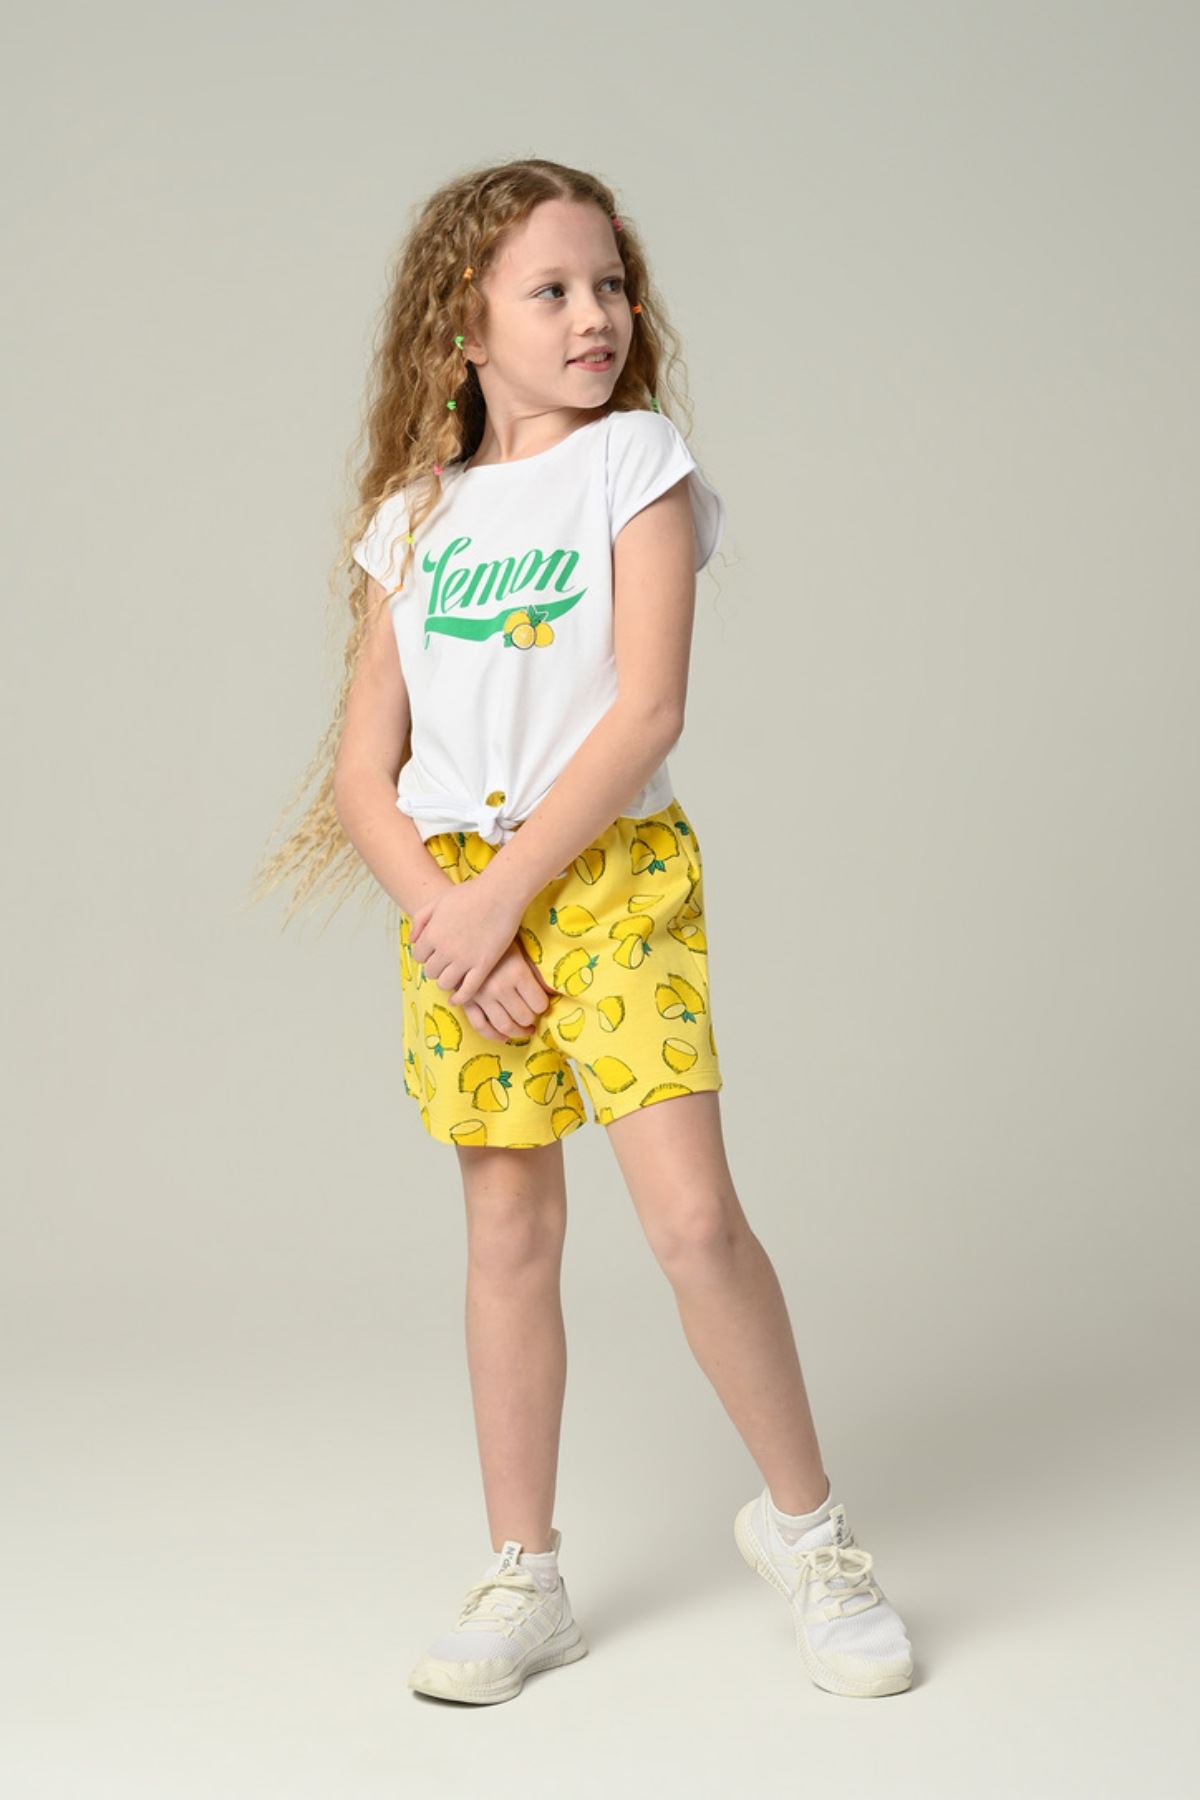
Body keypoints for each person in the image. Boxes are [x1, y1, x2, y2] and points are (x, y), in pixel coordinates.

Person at [251, 157, 914, 1706]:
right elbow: (362, 775)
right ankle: (524, 1574)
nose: (595, 315)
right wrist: (455, 922)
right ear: (461, 325)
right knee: (508, 1232)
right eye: (551, 289)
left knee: (693, 1224)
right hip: (457, 905)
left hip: (609, 882)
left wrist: (503, 903)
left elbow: (648, 711)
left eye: (610, 284)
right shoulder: (411, 521)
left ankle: (810, 1534)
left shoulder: (637, 463)